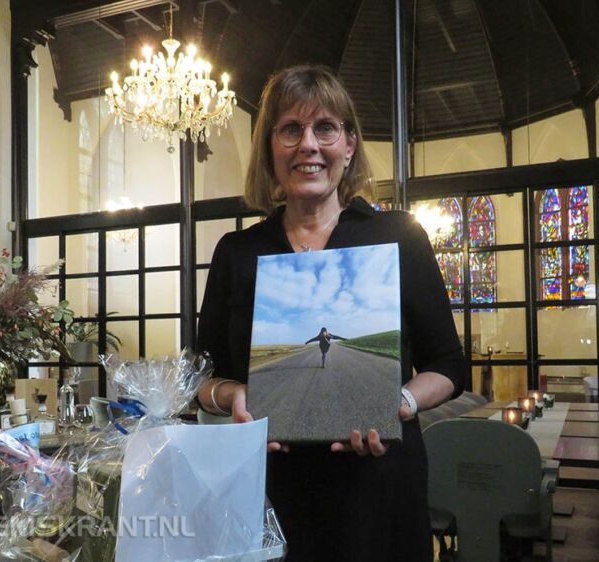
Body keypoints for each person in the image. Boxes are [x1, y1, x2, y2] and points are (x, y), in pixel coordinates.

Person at [196, 65, 465, 562]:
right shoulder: (237, 251)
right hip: (269, 490)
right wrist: (235, 396)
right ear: (270, 148)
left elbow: (449, 365)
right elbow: (202, 376)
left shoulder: (400, 236)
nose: (308, 145)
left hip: (379, 484)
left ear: (349, 144)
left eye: (325, 128)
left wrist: (399, 401)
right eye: (290, 129)